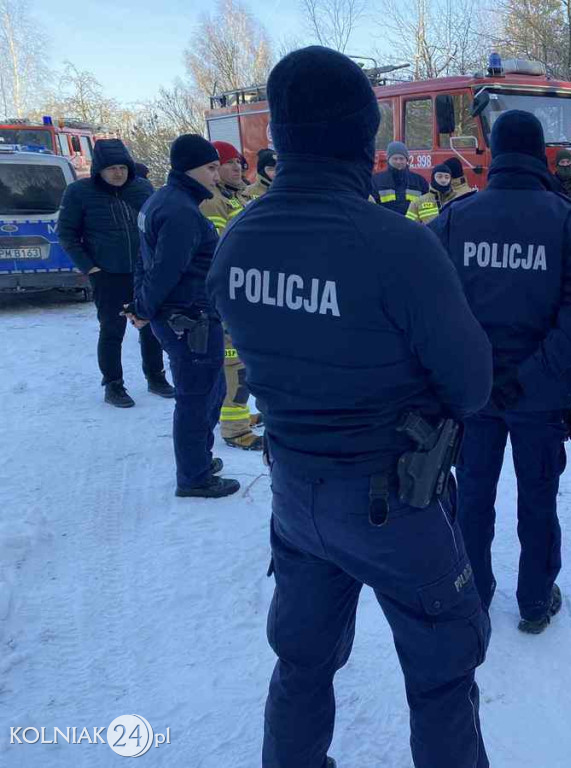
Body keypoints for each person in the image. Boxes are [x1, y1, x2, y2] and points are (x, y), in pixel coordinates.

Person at [206, 47, 494, 768]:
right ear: (365, 139)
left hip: (296, 495)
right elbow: (471, 385)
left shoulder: (238, 238)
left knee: (302, 663)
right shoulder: (396, 245)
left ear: (282, 136)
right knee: (442, 672)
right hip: (393, 497)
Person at [429, 110, 571, 634]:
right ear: (541, 155)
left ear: (494, 153)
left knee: (474, 496)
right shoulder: (566, 217)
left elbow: (433, 306)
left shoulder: (458, 217)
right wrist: (534, 373)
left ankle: (474, 593)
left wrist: (476, 370)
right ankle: (534, 600)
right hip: (541, 396)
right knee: (538, 497)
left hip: (475, 396)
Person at [128, 134, 240, 499]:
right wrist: (143, 309)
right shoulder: (181, 212)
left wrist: (143, 306)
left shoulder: (162, 201)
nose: (215, 174)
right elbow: (164, 269)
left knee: (212, 389)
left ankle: (200, 460)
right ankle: (194, 477)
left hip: (185, 315)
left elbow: (144, 260)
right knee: (197, 396)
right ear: (190, 168)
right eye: (210, 168)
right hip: (189, 318)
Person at [56, 138, 172, 408]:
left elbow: (158, 225)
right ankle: (113, 385)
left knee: (151, 327)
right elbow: (67, 235)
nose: (118, 173)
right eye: (111, 168)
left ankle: (156, 377)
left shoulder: (142, 188)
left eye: (122, 167)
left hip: (144, 272)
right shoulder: (79, 192)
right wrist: (90, 268)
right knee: (112, 330)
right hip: (108, 274)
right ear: (99, 170)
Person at [201, 141, 262, 452]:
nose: (237, 167)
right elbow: (219, 255)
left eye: (238, 162)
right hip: (228, 294)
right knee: (232, 363)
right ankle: (235, 429)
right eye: (226, 163)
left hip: (242, 290)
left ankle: (239, 415)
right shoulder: (213, 203)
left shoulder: (236, 196)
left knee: (240, 361)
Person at [370, 140, 429, 215]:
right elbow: (371, 207)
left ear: (407, 160)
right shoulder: (375, 181)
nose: (398, 162)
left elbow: (426, 208)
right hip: (385, 225)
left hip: (412, 225)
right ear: (388, 160)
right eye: (395, 158)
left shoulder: (420, 181)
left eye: (401, 158)